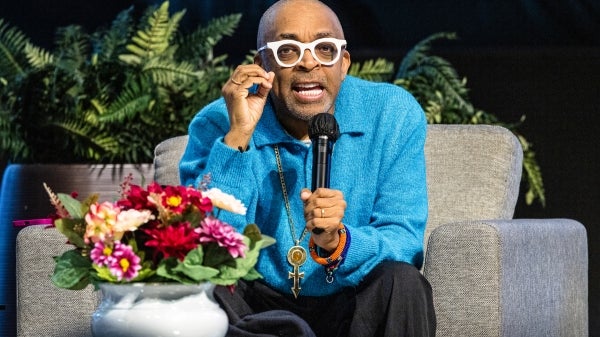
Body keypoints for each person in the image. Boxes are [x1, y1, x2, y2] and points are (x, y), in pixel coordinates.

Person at [179, 0, 435, 335]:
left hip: (351, 296)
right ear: (263, 64)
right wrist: (239, 135)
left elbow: (403, 239)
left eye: (324, 49)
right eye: (288, 51)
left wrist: (340, 243)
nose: (309, 62)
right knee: (203, 288)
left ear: (343, 63)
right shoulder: (219, 121)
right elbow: (205, 250)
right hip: (255, 307)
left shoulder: (392, 114)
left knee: (402, 281)